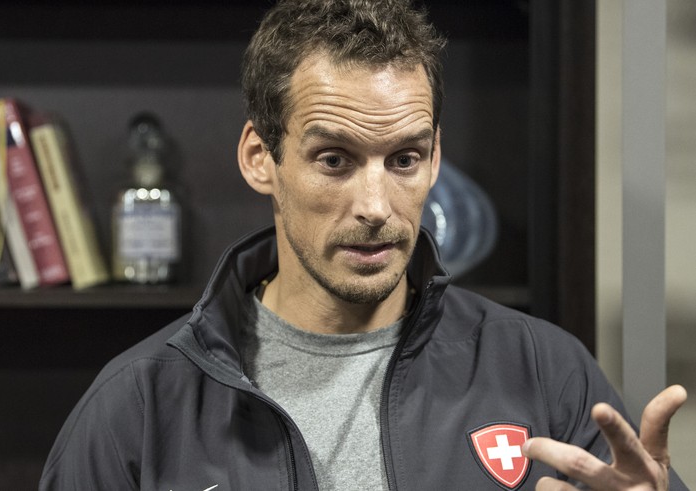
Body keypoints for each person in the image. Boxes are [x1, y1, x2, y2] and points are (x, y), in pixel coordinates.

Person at [39, 0, 688, 489]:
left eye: (403, 158)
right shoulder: (137, 407)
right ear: (260, 157)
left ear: (435, 158)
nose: (376, 207)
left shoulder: (543, 370)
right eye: (333, 159)